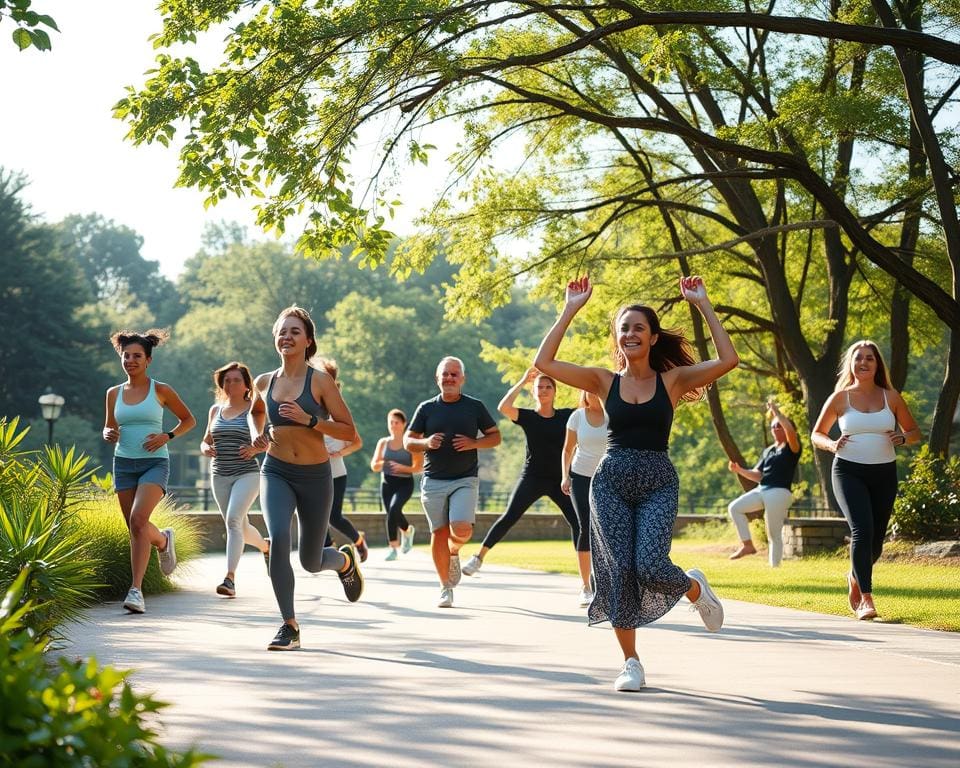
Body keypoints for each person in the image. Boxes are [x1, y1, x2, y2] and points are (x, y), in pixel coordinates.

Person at [534, 275, 739, 692]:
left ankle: (694, 588)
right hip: (609, 482)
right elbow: (545, 363)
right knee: (620, 570)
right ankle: (631, 663)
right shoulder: (603, 381)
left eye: (638, 328)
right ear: (618, 338)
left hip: (658, 480)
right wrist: (570, 308)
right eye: (623, 328)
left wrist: (703, 304)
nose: (630, 334)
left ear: (652, 337)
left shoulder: (673, 381)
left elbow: (728, 360)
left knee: (649, 565)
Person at [249, 306, 364, 651]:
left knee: (311, 561)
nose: (287, 337)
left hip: (315, 476)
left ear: (308, 341)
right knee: (279, 537)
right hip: (276, 470)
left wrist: (310, 420)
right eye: (282, 332)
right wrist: (260, 434)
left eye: (295, 332)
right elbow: (257, 410)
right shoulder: (264, 382)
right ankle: (289, 625)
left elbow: (348, 430)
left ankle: (343, 560)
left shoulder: (320, 382)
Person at [811, 340, 920, 621]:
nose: (863, 362)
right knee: (862, 529)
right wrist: (832, 445)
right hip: (848, 471)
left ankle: (855, 576)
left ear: (877, 364)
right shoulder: (840, 398)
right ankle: (866, 601)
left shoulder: (891, 397)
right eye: (858, 358)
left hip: (884, 473)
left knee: (876, 543)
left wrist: (903, 438)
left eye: (869, 358)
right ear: (851, 363)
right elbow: (817, 434)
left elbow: (914, 431)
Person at [461, 368, 581, 599]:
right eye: (539, 388)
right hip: (532, 477)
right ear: (533, 393)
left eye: (548, 387)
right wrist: (523, 380)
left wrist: (572, 378)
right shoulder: (528, 417)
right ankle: (478, 558)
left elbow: (589, 405)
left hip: (560, 479)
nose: (544, 391)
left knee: (578, 523)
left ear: (555, 392)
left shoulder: (567, 416)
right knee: (509, 516)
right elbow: (504, 407)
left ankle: (588, 576)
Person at [102, 329, 196, 615]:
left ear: (148, 360)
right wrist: (108, 433)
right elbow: (110, 427)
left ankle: (136, 590)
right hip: (124, 463)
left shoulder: (161, 390)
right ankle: (163, 540)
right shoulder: (113, 393)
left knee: (138, 518)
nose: (130, 360)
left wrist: (167, 436)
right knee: (136, 528)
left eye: (137, 356)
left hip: (155, 462)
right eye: (126, 356)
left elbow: (189, 420)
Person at [404, 356, 501, 608]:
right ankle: (445, 587)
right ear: (438, 379)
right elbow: (408, 441)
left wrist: (474, 443)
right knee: (438, 532)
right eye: (445, 374)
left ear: (462, 379)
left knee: (462, 529)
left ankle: (455, 550)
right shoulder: (426, 408)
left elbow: (495, 436)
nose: (449, 378)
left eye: (454, 374)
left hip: (464, 478)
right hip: (433, 479)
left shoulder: (474, 407)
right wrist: (425, 443)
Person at [199, 361, 270, 598]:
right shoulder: (215, 410)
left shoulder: (254, 409)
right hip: (219, 473)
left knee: (233, 520)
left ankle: (229, 579)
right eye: (226, 380)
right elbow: (206, 439)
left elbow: (265, 440)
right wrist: (205, 448)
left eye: (236, 380)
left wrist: (255, 450)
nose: (230, 384)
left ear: (247, 384)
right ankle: (266, 547)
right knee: (240, 525)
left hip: (247, 473)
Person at [726, 400, 801, 567]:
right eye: (773, 426)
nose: (775, 428)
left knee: (773, 533)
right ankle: (748, 545)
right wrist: (740, 470)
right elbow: (758, 475)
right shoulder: (769, 450)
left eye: (778, 426)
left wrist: (776, 411)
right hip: (763, 489)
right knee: (735, 508)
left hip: (780, 492)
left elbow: (790, 430)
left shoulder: (792, 447)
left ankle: (775, 567)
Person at [317, 359, 368, 562]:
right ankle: (328, 549)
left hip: (336, 472)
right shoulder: (311, 408)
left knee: (333, 517)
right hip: (314, 471)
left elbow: (356, 442)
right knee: (315, 513)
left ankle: (358, 541)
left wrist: (339, 453)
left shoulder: (338, 410)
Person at [561, 389, 608, 606]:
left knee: (606, 529)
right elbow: (568, 449)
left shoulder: (612, 415)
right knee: (585, 526)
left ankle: (605, 582)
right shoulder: (577, 417)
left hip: (607, 478)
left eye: (597, 391)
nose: (594, 394)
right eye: (589, 391)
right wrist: (565, 476)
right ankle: (586, 586)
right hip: (580, 477)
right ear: (584, 395)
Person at [370, 409, 422, 561]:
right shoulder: (383, 443)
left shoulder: (410, 443)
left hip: (404, 483)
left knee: (394, 509)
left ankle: (406, 533)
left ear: (404, 424)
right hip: (387, 483)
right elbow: (374, 465)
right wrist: (385, 463)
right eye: (390, 423)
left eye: (396, 422)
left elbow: (418, 467)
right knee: (391, 515)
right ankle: (394, 547)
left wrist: (402, 468)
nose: (393, 426)